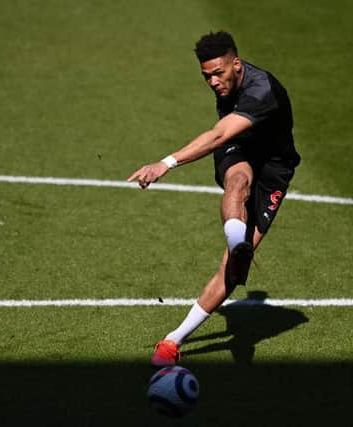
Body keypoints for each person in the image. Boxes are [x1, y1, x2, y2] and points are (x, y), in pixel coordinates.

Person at [127, 31, 301, 366]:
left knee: (231, 272)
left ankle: (176, 337)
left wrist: (166, 163)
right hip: (240, 148)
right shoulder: (225, 81)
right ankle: (237, 246)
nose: (212, 82)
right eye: (206, 76)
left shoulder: (262, 89)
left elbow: (218, 132)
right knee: (237, 180)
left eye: (218, 73)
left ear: (237, 65)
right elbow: (224, 137)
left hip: (275, 168)